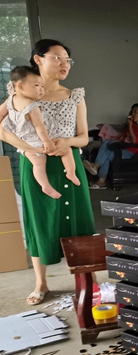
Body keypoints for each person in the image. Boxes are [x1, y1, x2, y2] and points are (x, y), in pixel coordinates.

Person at [0, 39, 95, 305]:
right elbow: (2, 128)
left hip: (69, 163)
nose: (65, 64)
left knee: (79, 221)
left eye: (67, 59)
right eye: (57, 57)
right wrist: (27, 145)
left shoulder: (74, 95)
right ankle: (41, 282)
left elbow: (85, 137)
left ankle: (86, 280)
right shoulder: (19, 95)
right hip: (36, 165)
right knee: (39, 220)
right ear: (38, 59)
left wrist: (67, 142)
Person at [0, 66, 80, 199]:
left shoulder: (10, 100)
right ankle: (71, 173)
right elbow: (39, 126)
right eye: (37, 85)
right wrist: (47, 142)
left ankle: (45, 186)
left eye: (42, 86)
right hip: (39, 140)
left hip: (24, 141)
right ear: (20, 86)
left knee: (38, 164)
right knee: (66, 150)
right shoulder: (32, 105)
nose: (41, 89)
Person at [82, 103, 138, 188]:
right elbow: (123, 138)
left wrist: (130, 125)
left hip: (134, 152)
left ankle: (100, 179)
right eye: (132, 112)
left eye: (136, 112)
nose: (133, 114)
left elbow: (135, 142)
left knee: (108, 155)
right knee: (107, 142)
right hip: (124, 148)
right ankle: (96, 166)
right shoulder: (134, 125)